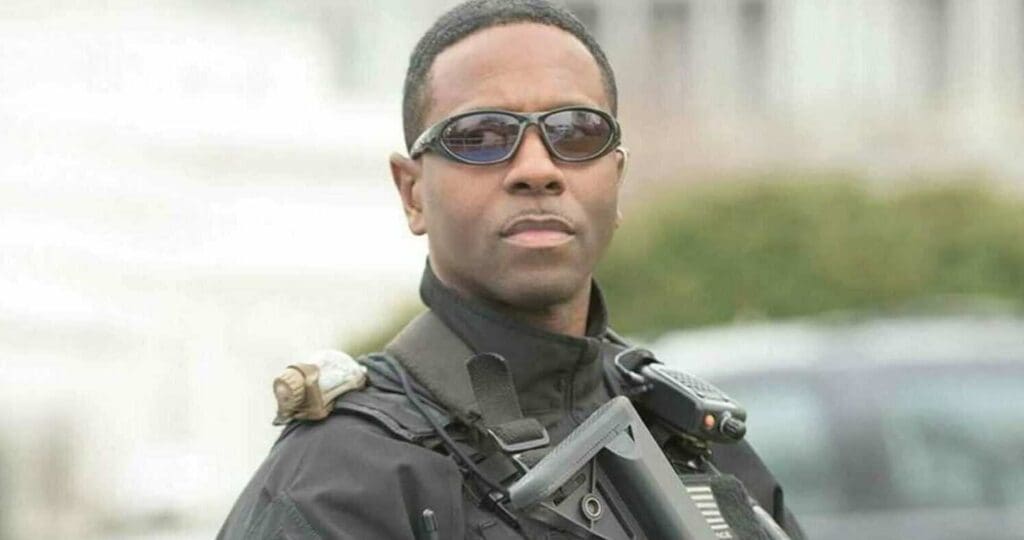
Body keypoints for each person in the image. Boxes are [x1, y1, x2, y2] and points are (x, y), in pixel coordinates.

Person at [218, 1, 805, 538]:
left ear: (616, 180)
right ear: (412, 192)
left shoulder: (690, 441)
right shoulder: (339, 482)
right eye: (480, 136)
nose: (537, 169)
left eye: (575, 132)